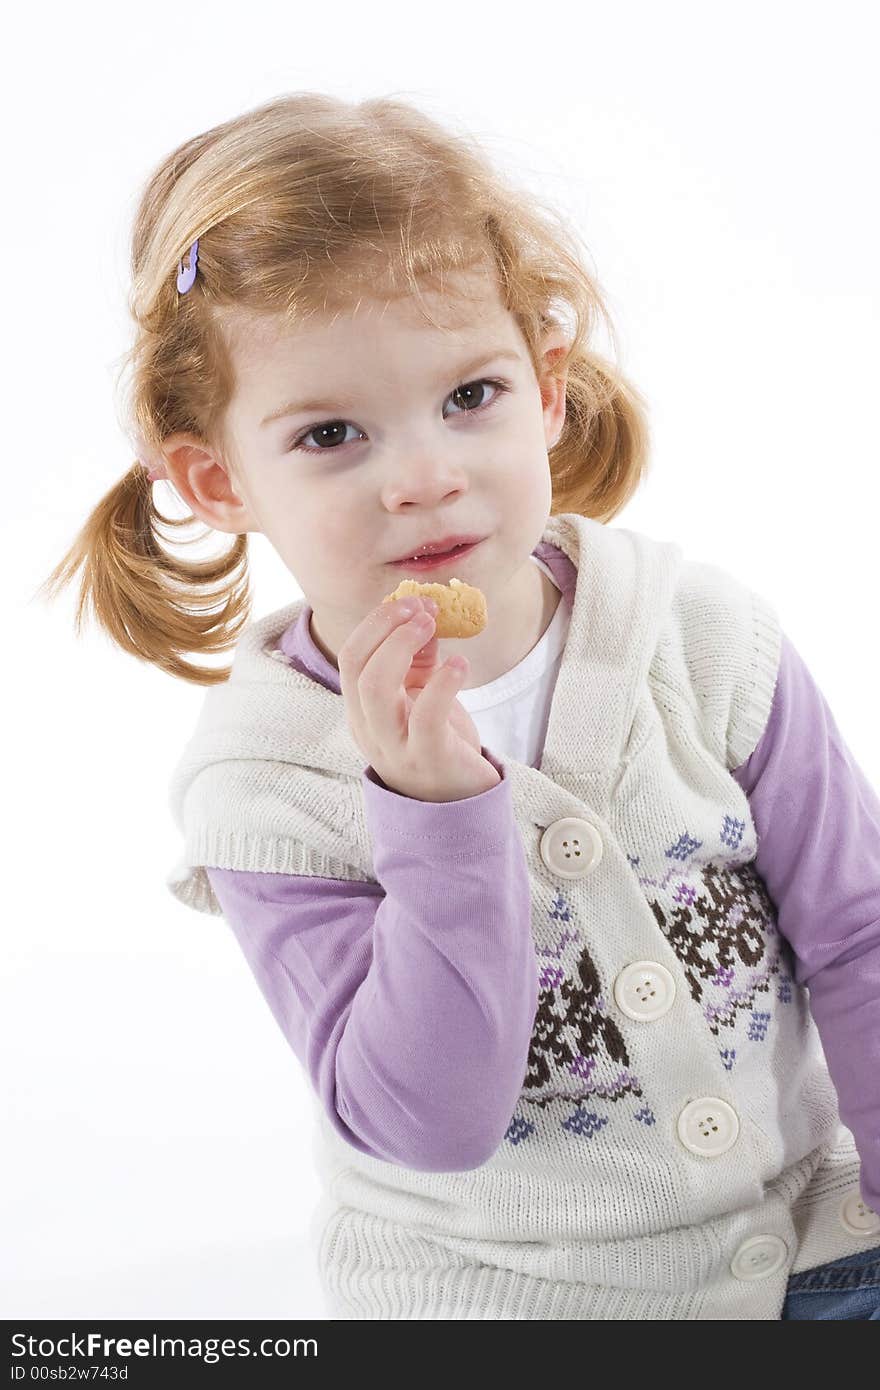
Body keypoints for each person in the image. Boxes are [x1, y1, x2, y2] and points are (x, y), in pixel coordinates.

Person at [38, 91, 880, 1320]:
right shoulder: (266, 787)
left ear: (546, 389)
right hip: (516, 1303)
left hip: (820, 1244)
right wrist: (431, 815)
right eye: (331, 432)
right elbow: (425, 1123)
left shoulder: (699, 638)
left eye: (469, 396)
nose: (425, 477)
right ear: (220, 481)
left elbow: (858, 938)